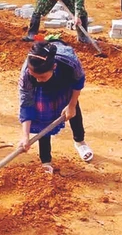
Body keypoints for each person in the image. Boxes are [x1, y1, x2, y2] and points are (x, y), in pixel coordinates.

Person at [18, 41, 93, 175]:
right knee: (43, 119)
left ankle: (80, 142)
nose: (39, 80)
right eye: (35, 76)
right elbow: (26, 103)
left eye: (42, 76)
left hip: (64, 82)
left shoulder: (69, 62)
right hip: (42, 90)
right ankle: (46, 160)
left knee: (73, 111)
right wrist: (25, 136)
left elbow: (78, 81)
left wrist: (71, 105)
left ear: (54, 66)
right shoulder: (27, 74)